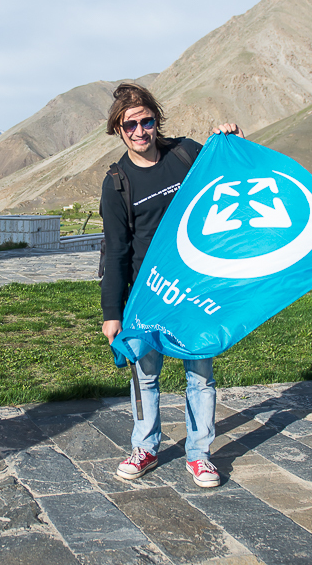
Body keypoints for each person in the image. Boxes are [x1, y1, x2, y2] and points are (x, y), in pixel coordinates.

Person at [100, 82, 243, 488]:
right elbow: (116, 254)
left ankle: (200, 455)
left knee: (200, 373)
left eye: (147, 121)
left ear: (157, 121)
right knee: (145, 375)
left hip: (196, 287)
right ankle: (145, 446)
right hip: (148, 294)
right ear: (118, 130)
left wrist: (229, 141)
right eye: (131, 125)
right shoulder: (117, 183)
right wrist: (113, 313)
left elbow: (230, 177)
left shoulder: (187, 154)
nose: (140, 131)